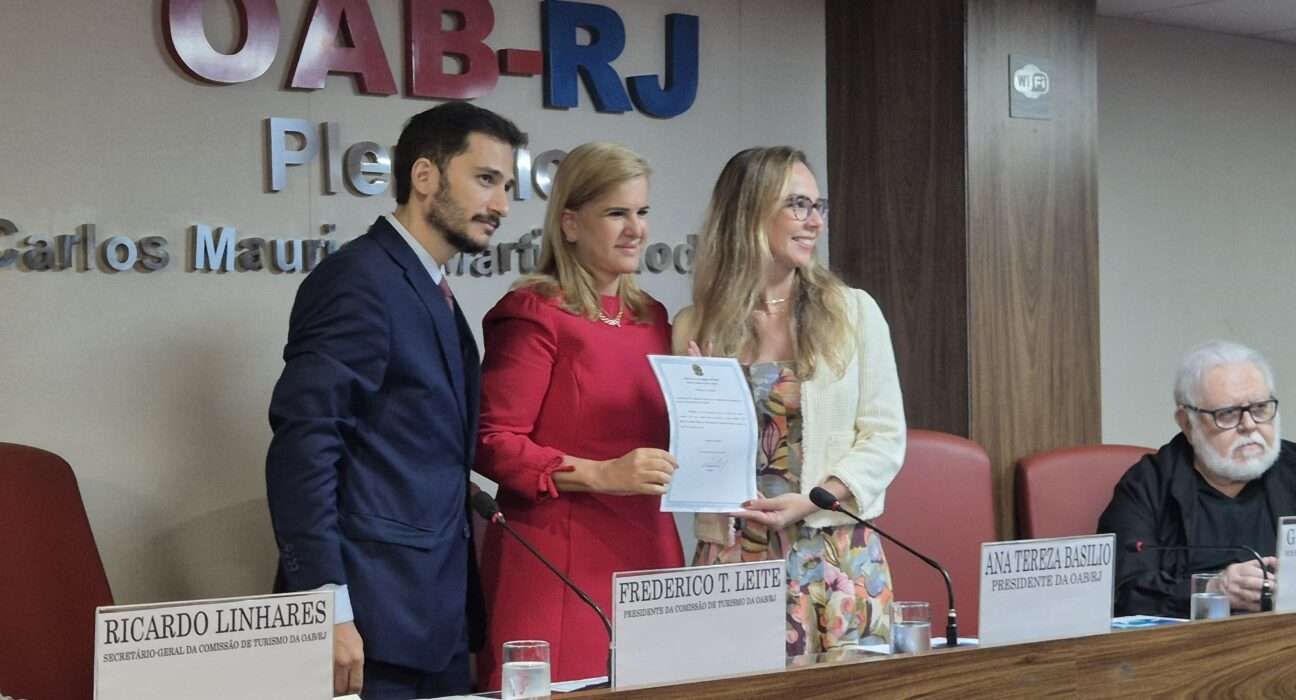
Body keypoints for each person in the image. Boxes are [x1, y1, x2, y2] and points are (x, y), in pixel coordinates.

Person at [265, 102, 525, 699]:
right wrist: (324, 607)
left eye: (508, 186)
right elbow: (305, 446)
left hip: (433, 623)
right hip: (366, 630)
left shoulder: (429, 285)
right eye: (486, 180)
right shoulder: (358, 280)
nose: (503, 205)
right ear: (425, 177)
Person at [672, 146, 906, 654]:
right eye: (798, 205)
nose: (814, 222)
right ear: (749, 212)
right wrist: (699, 397)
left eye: (818, 206)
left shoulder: (854, 312)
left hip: (834, 551)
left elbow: (885, 438)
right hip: (734, 554)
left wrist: (814, 498)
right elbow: (686, 462)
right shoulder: (695, 323)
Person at [473, 142, 684, 687]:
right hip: (556, 558)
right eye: (616, 213)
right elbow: (492, 440)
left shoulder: (655, 318)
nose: (635, 229)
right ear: (569, 223)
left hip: (650, 551)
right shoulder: (534, 313)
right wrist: (602, 473)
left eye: (642, 212)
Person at [1099, 340, 1295, 618]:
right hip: (1188, 651)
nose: (1250, 425)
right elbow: (1122, 592)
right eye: (1227, 414)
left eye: (1261, 408)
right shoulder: (1148, 486)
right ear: (1187, 423)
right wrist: (1212, 589)